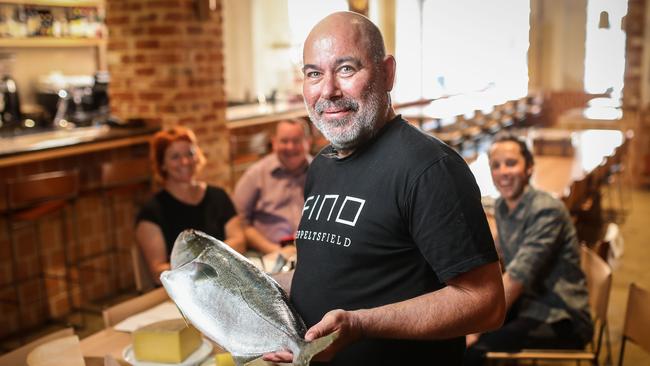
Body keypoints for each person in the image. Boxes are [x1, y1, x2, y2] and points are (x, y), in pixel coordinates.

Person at [264, 12, 505, 365]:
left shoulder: (428, 169)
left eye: (346, 69)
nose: (328, 90)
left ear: (387, 72)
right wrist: (251, 288)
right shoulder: (322, 166)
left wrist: (361, 325)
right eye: (314, 73)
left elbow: (485, 302)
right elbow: (328, 272)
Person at [463, 132, 593, 365]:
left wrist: (477, 326)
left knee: (475, 350)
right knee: (459, 329)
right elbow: (496, 257)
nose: (503, 172)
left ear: (530, 168)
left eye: (511, 163)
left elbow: (517, 276)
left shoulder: (547, 211)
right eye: (496, 166)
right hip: (528, 303)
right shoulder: (502, 206)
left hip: (561, 316)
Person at [135, 126, 245, 283]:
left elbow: (239, 241)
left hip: (226, 282)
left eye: (190, 153)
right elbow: (158, 271)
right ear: (162, 165)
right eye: (175, 157)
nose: (185, 161)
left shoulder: (218, 196)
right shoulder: (151, 213)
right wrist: (207, 262)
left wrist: (200, 261)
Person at [233, 119, 312, 255]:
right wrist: (274, 250)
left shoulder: (322, 172)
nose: (290, 147)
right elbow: (240, 222)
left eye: (296, 141)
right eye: (284, 141)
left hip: (313, 252)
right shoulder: (255, 174)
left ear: (308, 142)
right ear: (274, 143)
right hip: (267, 255)